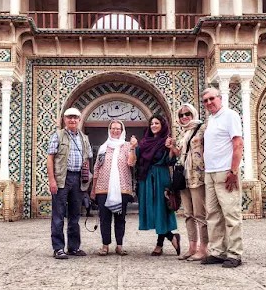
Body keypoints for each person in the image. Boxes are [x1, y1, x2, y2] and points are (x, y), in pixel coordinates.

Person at [201, 87, 244, 268]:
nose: (209, 103)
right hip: (210, 173)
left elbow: (238, 143)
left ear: (220, 98)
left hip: (225, 172)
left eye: (212, 99)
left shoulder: (230, 116)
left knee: (231, 213)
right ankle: (218, 252)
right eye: (206, 100)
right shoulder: (211, 119)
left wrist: (233, 171)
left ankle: (235, 254)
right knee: (213, 214)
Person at [47, 107, 93, 259]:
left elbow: (87, 159)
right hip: (62, 179)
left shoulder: (84, 138)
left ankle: (73, 247)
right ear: (64, 120)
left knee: (74, 215)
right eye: (69, 117)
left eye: (75, 118)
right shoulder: (58, 136)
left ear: (79, 120)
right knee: (58, 215)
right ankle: (58, 248)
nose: (72, 120)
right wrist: (52, 180)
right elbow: (50, 159)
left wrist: (88, 177)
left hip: (78, 179)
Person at [133, 114, 180, 256]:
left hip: (161, 176)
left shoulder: (166, 140)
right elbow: (137, 158)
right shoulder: (144, 142)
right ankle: (172, 236)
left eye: (156, 123)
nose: (153, 126)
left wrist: (171, 148)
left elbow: (171, 161)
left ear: (162, 125)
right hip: (146, 178)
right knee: (151, 210)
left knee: (161, 209)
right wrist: (133, 147)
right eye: (152, 123)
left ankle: (159, 244)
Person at [90, 120, 136, 256]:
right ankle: (105, 246)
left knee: (120, 218)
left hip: (122, 188)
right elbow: (97, 168)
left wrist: (133, 147)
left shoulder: (127, 146)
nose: (115, 131)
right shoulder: (103, 147)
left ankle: (119, 246)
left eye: (118, 129)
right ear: (109, 130)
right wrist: (93, 189)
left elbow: (131, 163)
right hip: (103, 188)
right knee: (104, 218)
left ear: (122, 131)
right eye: (113, 128)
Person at [174, 103, 208, 261]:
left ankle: (204, 248)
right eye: (181, 115)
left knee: (200, 214)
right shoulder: (183, 133)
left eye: (187, 113)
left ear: (193, 113)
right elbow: (181, 155)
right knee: (188, 214)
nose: (184, 117)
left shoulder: (203, 129)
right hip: (185, 177)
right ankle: (192, 247)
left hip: (198, 176)